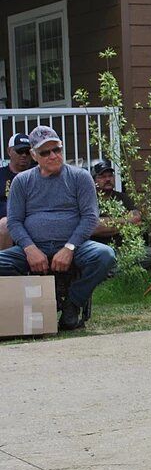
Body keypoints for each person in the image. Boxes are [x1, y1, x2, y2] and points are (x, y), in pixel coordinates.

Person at [0, 126, 116, 329]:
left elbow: (90, 217)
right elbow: (14, 221)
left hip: (76, 246)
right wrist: (30, 249)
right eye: (45, 152)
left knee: (105, 255)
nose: (53, 156)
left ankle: (72, 303)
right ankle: (37, 302)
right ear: (34, 155)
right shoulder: (22, 181)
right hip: (33, 248)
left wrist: (69, 247)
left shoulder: (80, 177)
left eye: (57, 149)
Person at [90, 159, 142, 248]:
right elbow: (93, 227)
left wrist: (105, 223)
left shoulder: (123, 198)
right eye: (102, 176)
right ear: (94, 180)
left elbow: (137, 220)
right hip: (99, 249)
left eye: (110, 176)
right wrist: (126, 220)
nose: (107, 179)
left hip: (126, 247)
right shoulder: (89, 200)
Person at [1, 133, 33, 249]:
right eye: (20, 151)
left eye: (27, 152)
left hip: (31, 219)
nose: (24, 155)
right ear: (9, 151)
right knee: (5, 224)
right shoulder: (1, 175)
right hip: (6, 221)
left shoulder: (38, 175)